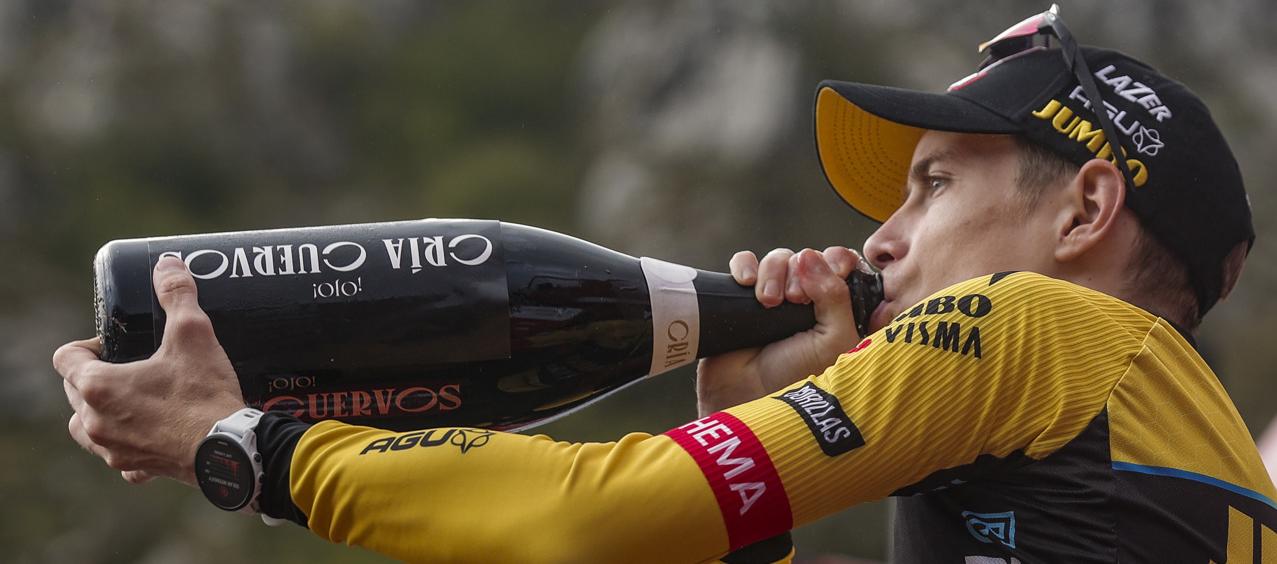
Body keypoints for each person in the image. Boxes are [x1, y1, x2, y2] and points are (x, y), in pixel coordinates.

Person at [52, 7, 1272, 563]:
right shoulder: (1170, 436)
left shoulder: (1036, 327)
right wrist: (737, 436)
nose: (885, 240)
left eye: (934, 187)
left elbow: (582, 520)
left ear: (1085, 209)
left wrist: (241, 445)